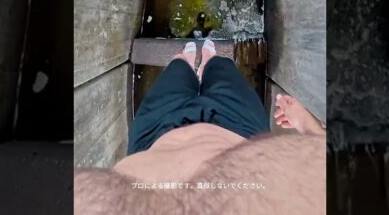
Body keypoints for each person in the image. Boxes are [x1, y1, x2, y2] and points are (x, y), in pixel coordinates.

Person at [75, 39, 326, 214]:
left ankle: (186, 60)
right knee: (222, 68)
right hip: (239, 129)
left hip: (153, 138)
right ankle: (208, 60)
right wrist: (308, 125)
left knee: (176, 69)